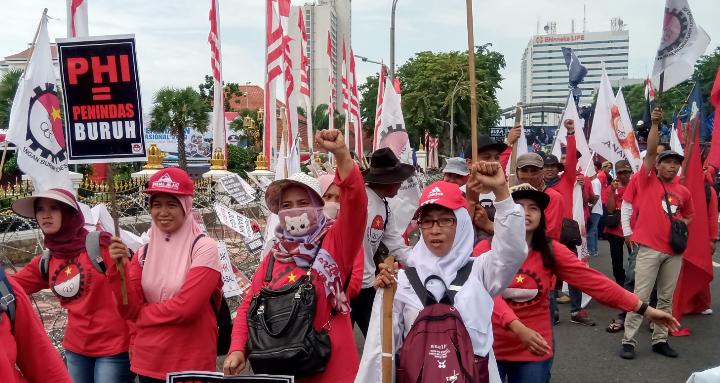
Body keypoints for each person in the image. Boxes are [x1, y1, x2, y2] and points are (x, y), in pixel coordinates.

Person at [482, 184, 679, 383]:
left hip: (534, 348)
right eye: (518, 207)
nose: (526, 213)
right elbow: (485, 295)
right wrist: (517, 327)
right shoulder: (485, 248)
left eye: (533, 208)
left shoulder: (552, 250)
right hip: (489, 345)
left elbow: (596, 283)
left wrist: (645, 309)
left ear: (542, 215)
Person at [224, 130, 367, 382]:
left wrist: (342, 155)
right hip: (281, 372)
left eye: (303, 203)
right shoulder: (273, 257)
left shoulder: (334, 244)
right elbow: (250, 304)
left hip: (332, 372)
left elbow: (356, 203)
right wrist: (237, 348)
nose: (294, 211)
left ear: (318, 207)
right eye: (286, 206)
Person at [369, 163, 528, 382]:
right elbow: (381, 352)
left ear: (462, 223)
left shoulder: (481, 272)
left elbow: (513, 251)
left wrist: (502, 192)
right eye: (427, 221)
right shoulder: (400, 280)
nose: (435, 229)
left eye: (445, 220)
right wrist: (385, 295)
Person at [107, 167, 222, 382]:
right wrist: (119, 271)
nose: (163, 212)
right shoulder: (143, 253)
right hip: (149, 360)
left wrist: (143, 315)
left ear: (186, 207)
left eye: (172, 204)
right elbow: (129, 309)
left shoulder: (204, 248)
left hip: (190, 360)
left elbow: (186, 308)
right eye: (156, 204)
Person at [10, 189, 135, 383]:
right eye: (40, 209)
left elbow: (131, 293)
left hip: (115, 349)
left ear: (69, 214)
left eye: (54, 208)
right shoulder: (47, 260)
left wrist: (135, 340)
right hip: (76, 349)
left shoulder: (102, 247)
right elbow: (9, 287)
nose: (46, 215)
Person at [620, 108, 695, 360]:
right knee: (640, 297)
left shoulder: (683, 191)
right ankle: (628, 341)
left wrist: (681, 226)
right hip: (649, 249)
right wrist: (655, 125)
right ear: (658, 165)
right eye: (668, 163)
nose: (672, 167)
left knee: (665, 298)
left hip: (674, 252)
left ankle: (659, 340)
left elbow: (690, 214)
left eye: (676, 164)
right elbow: (651, 151)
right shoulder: (647, 179)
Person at [352, 147, 414, 337]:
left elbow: (396, 246)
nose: (402, 184)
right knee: (337, 347)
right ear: (392, 180)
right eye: (400, 179)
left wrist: (426, 260)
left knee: (378, 342)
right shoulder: (358, 201)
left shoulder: (385, 209)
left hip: (369, 284)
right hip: (346, 286)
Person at [543, 120, 595, 326]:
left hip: (565, 236)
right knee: (548, 276)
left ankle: (576, 310)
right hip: (544, 238)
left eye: (552, 167)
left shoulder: (567, 180)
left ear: (558, 169)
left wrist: (571, 134)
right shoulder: (534, 186)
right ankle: (552, 311)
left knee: (574, 274)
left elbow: (571, 159)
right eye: (545, 167)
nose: (548, 170)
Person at [0, 265, 72, 383]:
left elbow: (45, 365)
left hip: (106, 343)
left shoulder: (5, 289)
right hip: (76, 344)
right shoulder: (48, 261)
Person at [317, 174, 365, 300]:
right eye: (327, 197)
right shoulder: (300, 234)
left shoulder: (349, 235)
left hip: (333, 311)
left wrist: (316, 286)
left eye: (338, 198)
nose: (333, 203)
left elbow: (354, 285)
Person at [515, 153, 564, 240]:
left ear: (541, 172)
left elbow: (550, 232)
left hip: (542, 249)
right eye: (524, 170)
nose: (529, 175)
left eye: (534, 171)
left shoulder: (553, 197)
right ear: (517, 173)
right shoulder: (511, 195)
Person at [602, 160, 633, 285]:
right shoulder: (610, 188)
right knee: (616, 260)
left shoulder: (635, 186)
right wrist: (611, 192)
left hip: (631, 228)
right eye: (620, 173)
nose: (623, 175)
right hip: (615, 229)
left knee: (635, 258)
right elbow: (609, 210)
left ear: (630, 173)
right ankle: (620, 284)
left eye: (626, 172)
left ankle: (632, 283)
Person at [587, 171, 603, 257]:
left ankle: (591, 250)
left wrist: (589, 207)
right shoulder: (594, 181)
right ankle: (595, 250)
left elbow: (596, 197)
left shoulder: (595, 182)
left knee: (590, 231)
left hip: (594, 210)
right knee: (594, 231)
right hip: (596, 210)